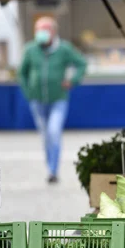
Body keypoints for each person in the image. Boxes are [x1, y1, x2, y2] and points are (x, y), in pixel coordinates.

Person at [18, 17, 87, 183]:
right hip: (37, 101)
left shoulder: (64, 49)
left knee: (54, 132)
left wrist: (72, 80)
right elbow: (22, 73)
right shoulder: (30, 50)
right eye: (38, 29)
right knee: (45, 135)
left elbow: (81, 64)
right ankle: (50, 166)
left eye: (45, 29)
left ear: (53, 32)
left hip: (58, 99)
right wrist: (29, 93)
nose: (41, 33)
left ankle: (53, 170)